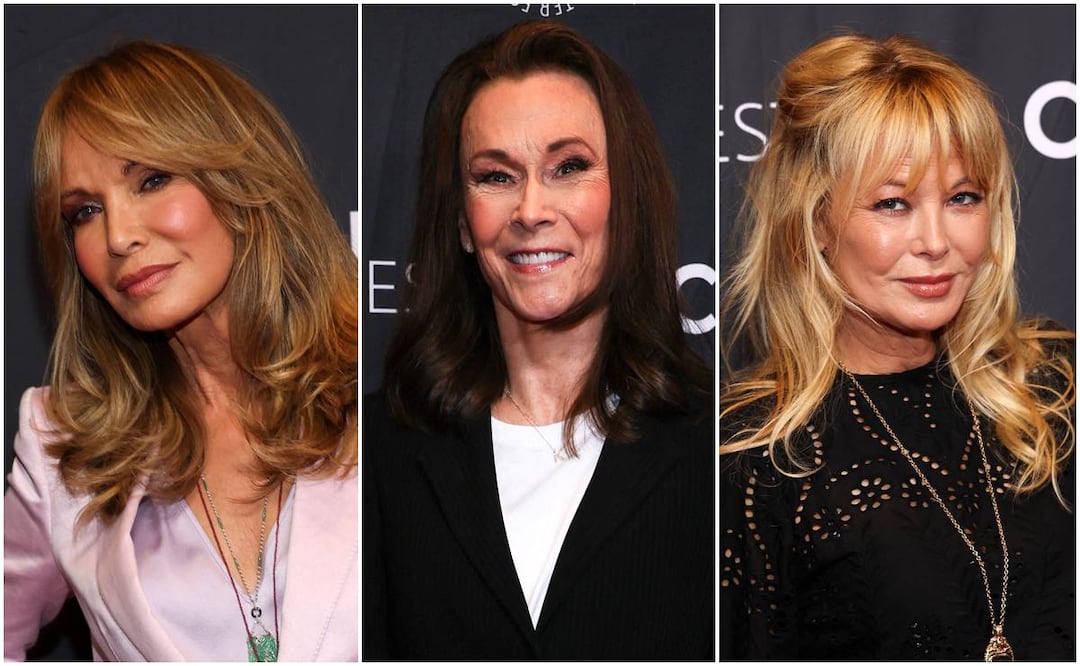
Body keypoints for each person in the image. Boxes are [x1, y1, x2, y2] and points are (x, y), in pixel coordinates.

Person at [364, 20, 714, 660]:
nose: (530, 210)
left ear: (626, 196)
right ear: (464, 225)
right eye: (495, 176)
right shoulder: (377, 452)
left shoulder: (725, 448)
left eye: (568, 167)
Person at [720, 33, 1075, 660]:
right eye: (893, 204)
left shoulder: (1056, 387)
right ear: (816, 222)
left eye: (963, 197)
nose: (936, 241)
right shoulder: (757, 458)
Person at [4, 41, 358, 661]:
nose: (117, 236)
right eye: (85, 211)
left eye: (152, 180)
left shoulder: (378, 386)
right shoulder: (65, 446)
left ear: (238, 179)